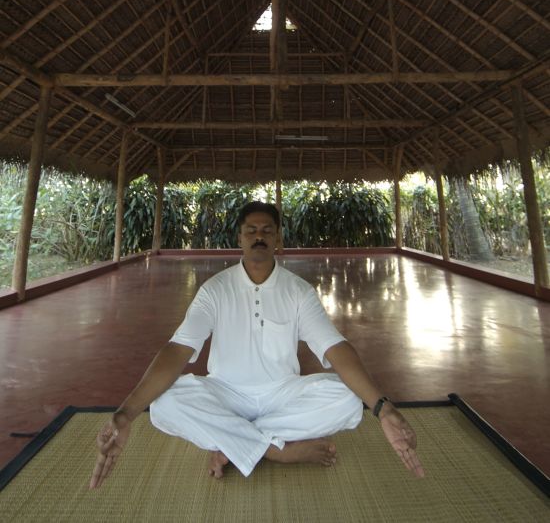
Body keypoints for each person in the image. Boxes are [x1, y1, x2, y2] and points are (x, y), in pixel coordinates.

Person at [90, 201, 424, 488]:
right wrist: (125, 415)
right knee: (164, 403)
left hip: (282, 393)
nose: (259, 236)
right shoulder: (215, 290)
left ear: (278, 238)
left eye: (267, 230)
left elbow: (335, 348)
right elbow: (178, 350)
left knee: (349, 399)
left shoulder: (298, 292)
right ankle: (276, 451)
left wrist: (384, 409)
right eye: (251, 230)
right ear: (239, 238)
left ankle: (234, 444)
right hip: (226, 392)